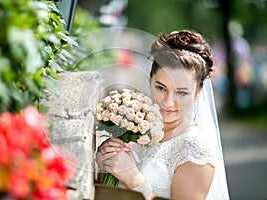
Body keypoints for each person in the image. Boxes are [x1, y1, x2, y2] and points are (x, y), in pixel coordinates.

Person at [96, 30, 230, 200]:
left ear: (198, 91)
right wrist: (106, 164)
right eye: (161, 88)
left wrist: (134, 180)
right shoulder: (135, 125)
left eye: (181, 93)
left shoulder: (196, 151)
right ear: (150, 80)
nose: (168, 103)